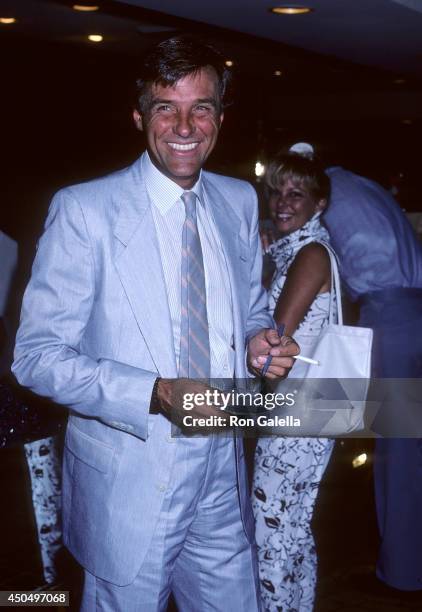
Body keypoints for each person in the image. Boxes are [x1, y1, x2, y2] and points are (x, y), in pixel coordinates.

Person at [12, 35, 298, 611]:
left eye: (202, 107)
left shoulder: (238, 200)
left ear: (221, 115)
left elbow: (251, 306)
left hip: (222, 460)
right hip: (133, 474)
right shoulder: (85, 211)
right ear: (140, 114)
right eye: (167, 106)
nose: (185, 125)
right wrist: (154, 392)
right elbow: (36, 356)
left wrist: (257, 339)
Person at [323, 164, 422, 591]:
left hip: (389, 317)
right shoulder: (364, 184)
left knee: (397, 457)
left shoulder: (326, 194)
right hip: (414, 309)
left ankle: (401, 573)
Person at [252, 151, 335, 611]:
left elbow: (271, 341)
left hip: (295, 410)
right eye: (277, 191)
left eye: (296, 194)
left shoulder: (310, 254)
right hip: (308, 409)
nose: (282, 202)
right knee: (291, 530)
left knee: (273, 531)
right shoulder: (298, 250)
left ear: (318, 204)